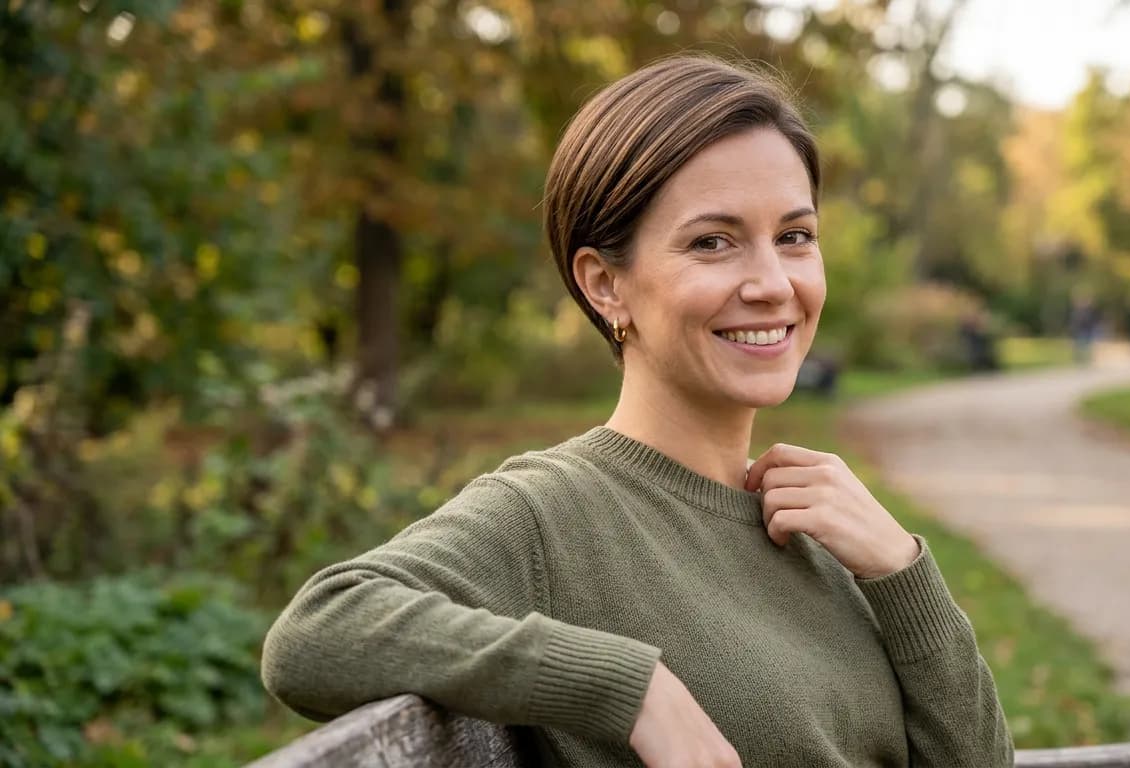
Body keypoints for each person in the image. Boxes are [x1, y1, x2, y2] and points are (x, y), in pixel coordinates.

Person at [260, 55, 1013, 768]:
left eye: (795, 236)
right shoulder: (553, 513)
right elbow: (317, 632)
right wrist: (627, 688)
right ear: (605, 285)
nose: (772, 282)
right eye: (713, 243)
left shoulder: (825, 528)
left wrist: (902, 572)